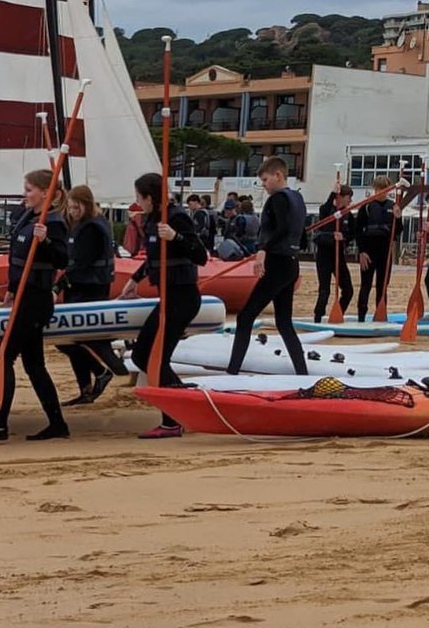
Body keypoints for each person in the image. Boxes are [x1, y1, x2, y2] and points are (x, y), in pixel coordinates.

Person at [0, 169, 69, 445]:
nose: (24, 195)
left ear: (46, 194)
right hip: (23, 298)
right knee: (34, 365)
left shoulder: (53, 223)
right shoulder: (28, 218)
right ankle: (57, 424)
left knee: (3, 356)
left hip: (35, 301)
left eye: (28, 190)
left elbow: (62, 259)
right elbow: (19, 258)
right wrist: (11, 290)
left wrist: (45, 239)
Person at [121, 171, 206, 439]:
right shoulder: (152, 220)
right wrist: (135, 279)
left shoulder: (175, 217)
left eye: (139, 197)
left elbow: (200, 255)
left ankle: (173, 420)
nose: (137, 202)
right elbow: (154, 259)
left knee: (153, 358)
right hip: (168, 297)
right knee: (141, 355)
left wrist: (175, 237)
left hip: (182, 298)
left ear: (150, 197)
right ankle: (184, 407)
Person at [226, 157, 308, 375]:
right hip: (292, 263)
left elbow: (281, 228)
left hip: (278, 263)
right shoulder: (298, 198)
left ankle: (232, 372)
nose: (263, 184)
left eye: (265, 179)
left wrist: (263, 250)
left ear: (277, 175)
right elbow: (302, 234)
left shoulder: (278, 199)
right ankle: (302, 372)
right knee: (283, 322)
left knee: (245, 317)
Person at [57, 185, 127, 406]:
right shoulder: (84, 224)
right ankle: (87, 386)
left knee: (69, 338)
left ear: (86, 205)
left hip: (88, 288)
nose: (72, 211)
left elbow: (81, 262)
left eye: (76, 207)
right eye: (70, 207)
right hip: (83, 286)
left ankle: (104, 370)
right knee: (72, 338)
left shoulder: (92, 228)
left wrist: (58, 284)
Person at [312, 181, 355, 322]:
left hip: (338, 256)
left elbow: (352, 234)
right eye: (349, 197)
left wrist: (344, 238)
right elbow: (319, 232)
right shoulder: (326, 210)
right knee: (324, 290)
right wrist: (332, 193)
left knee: (348, 290)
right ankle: (318, 317)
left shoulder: (348, 215)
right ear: (341, 197)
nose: (350, 201)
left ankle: (337, 314)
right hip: (324, 256)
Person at [356, 174, 395, 322]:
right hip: (368, 252)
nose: (382, 192)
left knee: (382, 286)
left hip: (385, 253)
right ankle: (361, 316)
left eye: (385, 189)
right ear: (375, 189)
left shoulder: (393, 206)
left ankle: (380, 315)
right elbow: (358, 231)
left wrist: (397, 217)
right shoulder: (365, 207)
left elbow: (397, 230)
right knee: (365, 285)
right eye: (379, 189)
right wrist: (362, 251)